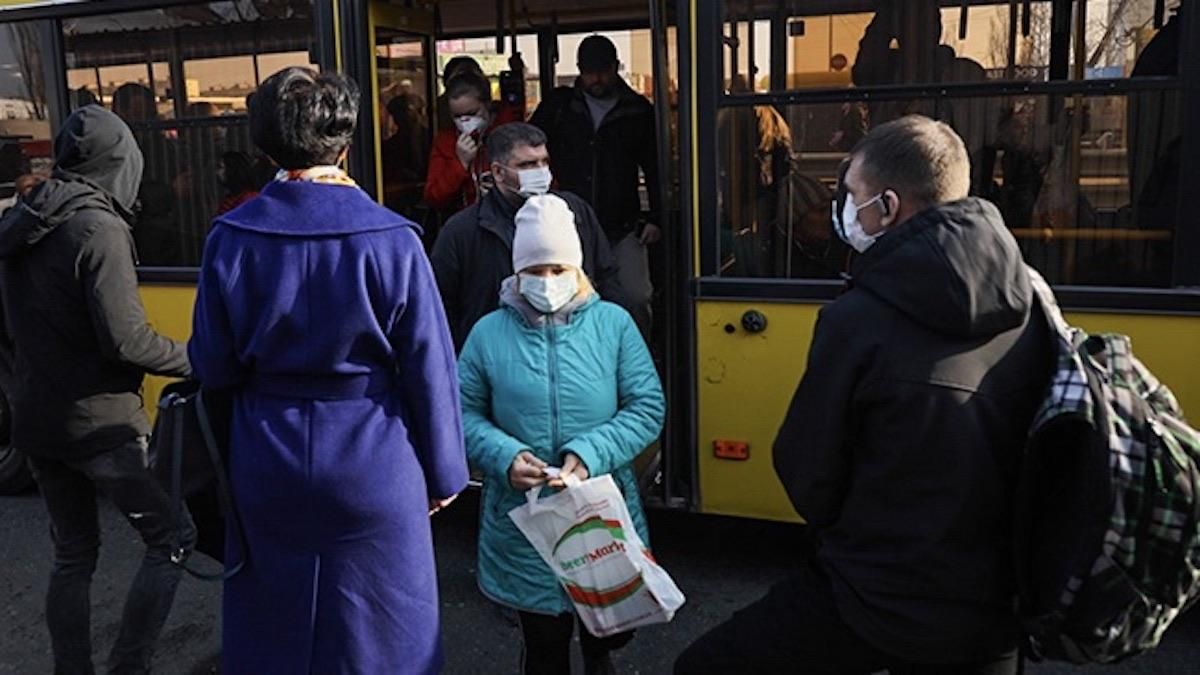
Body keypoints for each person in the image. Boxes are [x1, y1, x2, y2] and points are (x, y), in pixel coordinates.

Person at [675, 116, 1054, 674]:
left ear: (888, 206)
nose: (844, 209)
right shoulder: (1032, 299)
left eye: (851, 194)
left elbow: (809, 471)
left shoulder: (858, 319)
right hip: (996, 608)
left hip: (878, 593)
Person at [188, 67, 469, 673]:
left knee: (275, 630)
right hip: (376, 459)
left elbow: (211, 364)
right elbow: (429, 367)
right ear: (344, 141)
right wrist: (446, 470)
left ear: (264, 147)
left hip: (267, 454)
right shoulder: (394, 238)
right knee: (385, 632)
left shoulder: (232, 238)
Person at [0, 104, 195, 674]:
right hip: (102, 425)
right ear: (121, 162)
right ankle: (128, 667)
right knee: (173, 538)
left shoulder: (22, 219)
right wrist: (195, 359)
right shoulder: (99, 228)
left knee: (73, 555)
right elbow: (127, 342)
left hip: (36, 419)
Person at [458, 193, 666, 675]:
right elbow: (461, 413)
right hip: (523, 522)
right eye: (536, 270)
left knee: (606, 634)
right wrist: (505, 456)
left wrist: (591, 453)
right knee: (545, 647)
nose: (547, 282)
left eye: (558, 269)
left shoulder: (614, 326)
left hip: (601, 511)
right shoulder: (488, 334)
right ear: (517, 272)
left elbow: (647, 406)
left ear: (577, 267)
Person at [431, 122, 626, 352]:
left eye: (544, 162)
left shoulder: (575, 213)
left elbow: (606, 277)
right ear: (498, 172)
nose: (541, 171)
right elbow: (441, 307)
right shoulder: (462, 231)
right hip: (498, 357)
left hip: (576, 352)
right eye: (528, 165)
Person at [530, 35, 661, 336]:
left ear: (616, 68)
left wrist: (655, 216)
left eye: (603, 70)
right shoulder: (558, 106)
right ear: (578, 69)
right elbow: (529, 146)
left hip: (622, 224)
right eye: (590, 71)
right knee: (571, 302)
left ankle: (636, 356)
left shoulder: (637, 110)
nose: (596, 78)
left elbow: (654, 167)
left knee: (636, 297)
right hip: (567, 223)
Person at [424, 71, 520, 214]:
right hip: (465, 224)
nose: (464, 120)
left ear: (487, 105)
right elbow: (434, 197)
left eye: (472, 113)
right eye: (457, 116)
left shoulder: (510, 131)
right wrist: (460, 164)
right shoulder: (446, 142)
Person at [214, 151, 260, 216]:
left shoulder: (249, 199)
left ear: (232, 170)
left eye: (221, 167)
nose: (217, 173)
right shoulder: (231, 198)